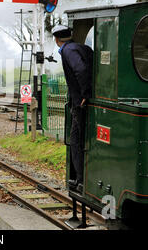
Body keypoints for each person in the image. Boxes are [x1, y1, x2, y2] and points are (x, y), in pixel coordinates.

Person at [52, 25, 93, 193]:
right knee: (81, 139)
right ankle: (81, 179)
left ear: (57, 40)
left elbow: (81, 70)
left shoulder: (68, 51)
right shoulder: (82, 48)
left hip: (80, 103)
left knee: (76, 141)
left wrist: (85, 93)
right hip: (84, 102)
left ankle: (81, 180)